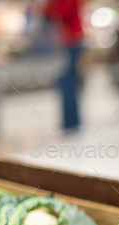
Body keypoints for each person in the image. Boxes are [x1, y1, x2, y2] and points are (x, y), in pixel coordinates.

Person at [42, 0, 84, 132]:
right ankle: (69, 122)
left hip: (70, 41)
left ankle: (71, 123)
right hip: (66, 41)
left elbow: (60, 13)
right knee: (66, 82)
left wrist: (46, 8)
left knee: (67, 82)